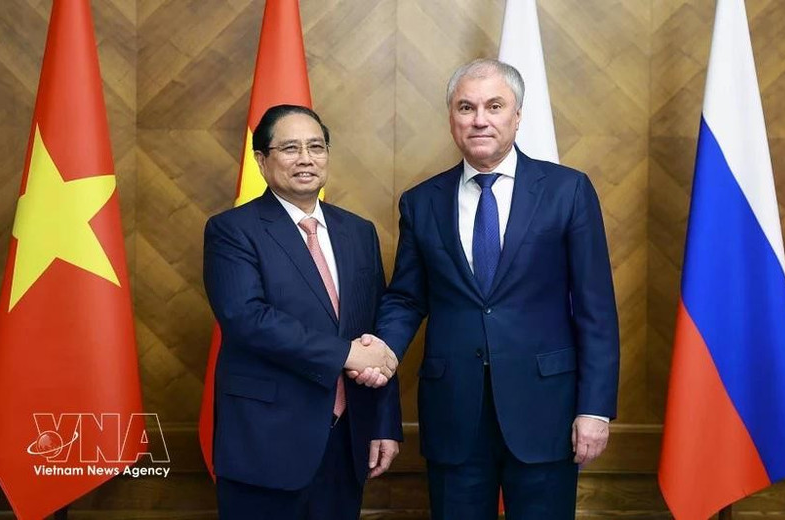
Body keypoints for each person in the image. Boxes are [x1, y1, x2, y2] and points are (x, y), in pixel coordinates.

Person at [373, 59, 620, 519]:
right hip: (454, 414)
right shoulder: (421, 201)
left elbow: (596, 310)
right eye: (466, 107)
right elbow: (407, 297)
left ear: (517, 115)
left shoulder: (567, 190)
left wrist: (596, 408)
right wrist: (382, 349)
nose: (479, 119)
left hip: (546, 411)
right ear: (451, 117)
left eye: (494, 105)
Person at [203, 104, 402, 519]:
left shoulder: (358, 232)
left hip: (348, 440)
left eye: (316, 146)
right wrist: (344, 354)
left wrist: (384, 422)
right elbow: (247, 319)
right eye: (290, 148)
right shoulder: (232, 230)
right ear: (262, 160)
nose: (306, 158)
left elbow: (375, 334)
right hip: (267, 442)